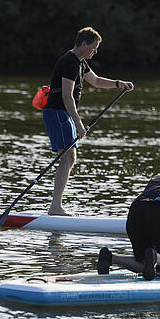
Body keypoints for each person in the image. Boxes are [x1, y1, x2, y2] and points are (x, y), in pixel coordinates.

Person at [43, 26, 134, 216]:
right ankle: (55, 207)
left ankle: (56, 206)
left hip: (63, 114)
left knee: (69, 157)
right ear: (83, 43)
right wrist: (78, 123)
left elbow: (97, 81)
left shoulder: (80, 62)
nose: (96, 51)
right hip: (58, 113)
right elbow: (67, 97)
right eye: (94, 47)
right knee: (67, 157)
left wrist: (119, 84)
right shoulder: (70, 63)